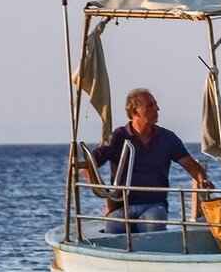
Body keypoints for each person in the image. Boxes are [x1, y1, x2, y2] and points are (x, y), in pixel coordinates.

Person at [88, 88, 212, 233]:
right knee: (113, 230)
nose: (157, 109)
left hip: (154, 205)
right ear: (135, 112)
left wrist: (203, 180)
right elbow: (89, 163)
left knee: (153, 225)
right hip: (121, 207)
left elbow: (192, 166)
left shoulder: (167, 138)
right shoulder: (117, 136)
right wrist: (100, 190)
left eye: (155, 104)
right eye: (150, 105)